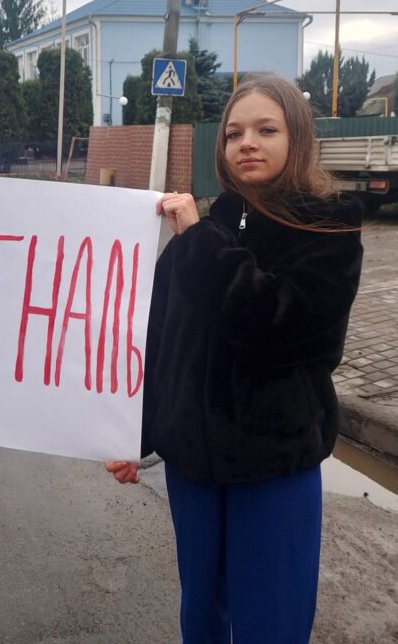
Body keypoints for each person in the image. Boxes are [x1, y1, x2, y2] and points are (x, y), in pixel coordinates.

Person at [107, 74, 364, 643]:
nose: (247, 143)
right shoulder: (216, 219)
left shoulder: (327, 226)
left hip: (273, 464)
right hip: (193, 465)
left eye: (266, 130)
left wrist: (199, 243)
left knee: (271, 617)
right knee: (201, 609)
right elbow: (161, 339)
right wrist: (134, 432)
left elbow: (280, 326)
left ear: (297, 138)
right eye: (233, 133)